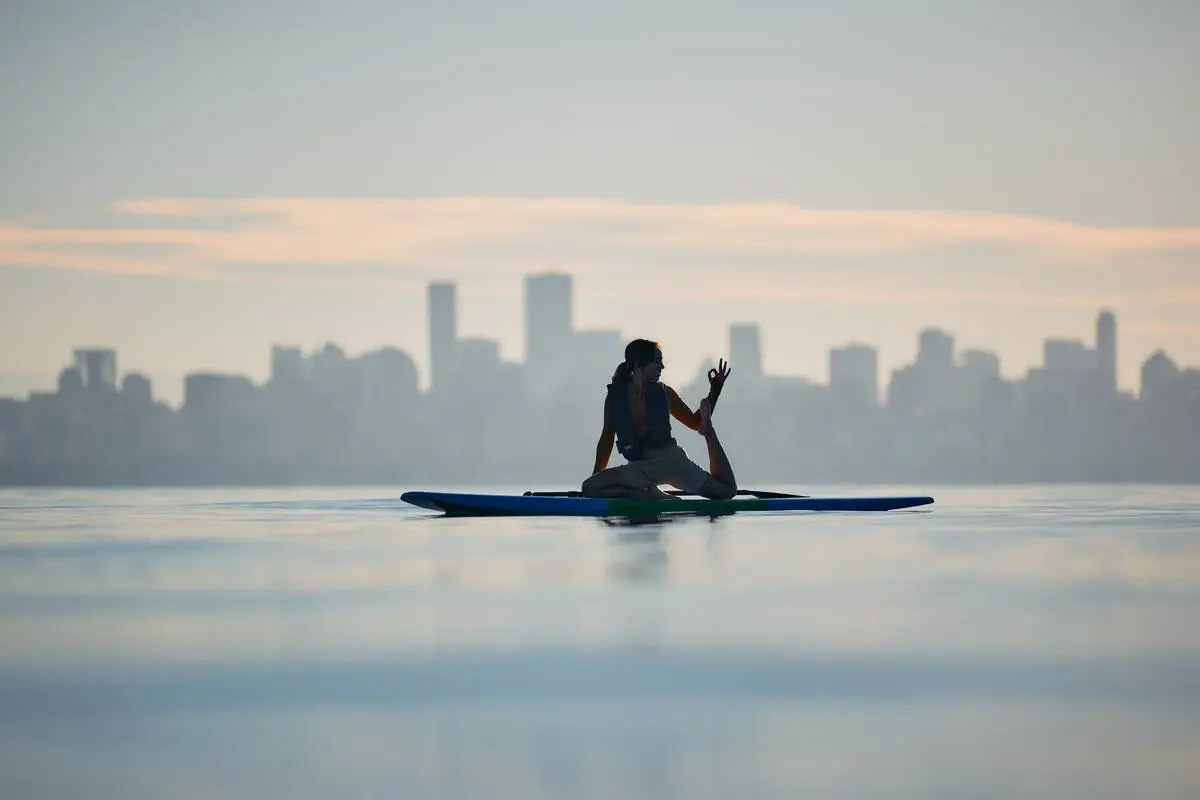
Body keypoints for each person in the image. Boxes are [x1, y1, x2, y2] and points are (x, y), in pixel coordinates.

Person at [580, 339, 738, 500]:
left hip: (672, 462)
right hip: (640, 468)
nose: (662, 367)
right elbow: (607, 438)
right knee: (590, 487)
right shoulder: (616, 397)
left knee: (727, 491)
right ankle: (651, 495)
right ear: (638, 364)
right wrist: (597, 477)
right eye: (657, 362)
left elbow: (695, 422)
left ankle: (709, 433)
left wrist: (715, 390)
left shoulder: (664, 393)